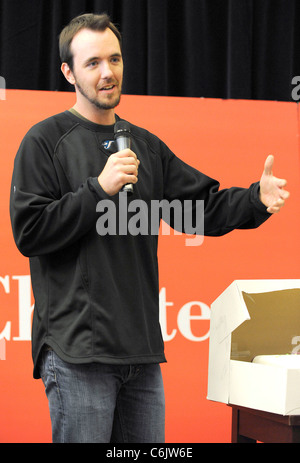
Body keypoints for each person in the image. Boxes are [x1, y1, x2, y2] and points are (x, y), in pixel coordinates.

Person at [9, 13, 289, 443]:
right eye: (93, 63)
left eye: (115, 59)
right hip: (77, 354)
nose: (108, 73)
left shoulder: (145, 146)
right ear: (68, 72)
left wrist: (255, 199)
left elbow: (200, 209)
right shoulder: (45, 141)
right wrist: (98, 190)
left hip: (141, 354)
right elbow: (30, 232)